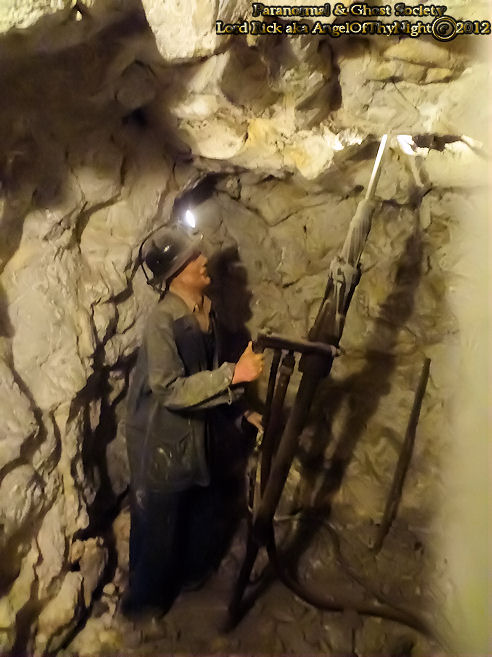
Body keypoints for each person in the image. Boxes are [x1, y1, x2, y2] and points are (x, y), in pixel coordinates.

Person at [123, 225, 263, 616]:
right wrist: (234, 375)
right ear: (174, 275)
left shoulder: (206, 310)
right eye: (192, 258)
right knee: (158, 525)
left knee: (203, 508)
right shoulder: (163, 321)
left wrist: (240, 411)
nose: (203, 260)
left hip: (198, 436)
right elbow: (168, 389)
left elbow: (205, 374)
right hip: (162, 441)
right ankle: (144, 604)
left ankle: (191, 576)